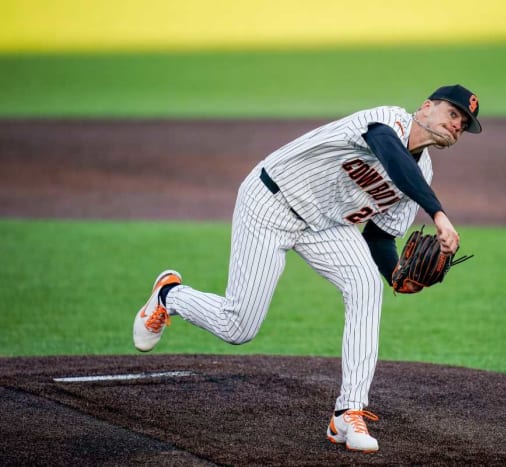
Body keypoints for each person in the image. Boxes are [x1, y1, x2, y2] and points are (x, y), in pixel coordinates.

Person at [132, 84, 482, 453]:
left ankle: (349, 412)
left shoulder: (422, 175)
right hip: (270, 202)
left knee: (367, 287)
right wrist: (438, 215)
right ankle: (169, 296)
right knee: (238, 327)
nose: (457, 124)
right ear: (426, 107)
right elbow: (392, 157)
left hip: (326, 225)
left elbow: (379, 238)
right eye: (453, 113)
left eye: (464, 123)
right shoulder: (387, 121)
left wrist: (397, 276)